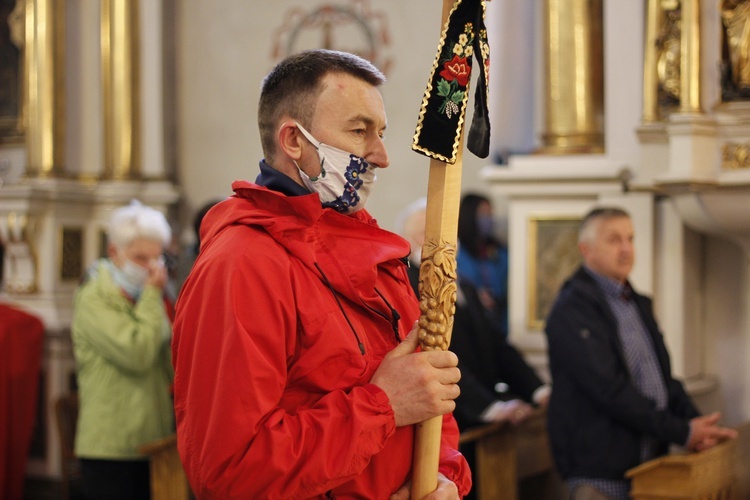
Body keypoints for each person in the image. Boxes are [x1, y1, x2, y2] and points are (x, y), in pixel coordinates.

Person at [172, 49, 470, 498]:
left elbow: (429, 400)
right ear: (293, 140)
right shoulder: (241, 265)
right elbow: (230, 474)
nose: (382, 155)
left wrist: (445, 478)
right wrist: (383, 405)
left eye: (381, 133)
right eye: (359, 131)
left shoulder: (380, 258)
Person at [544, 206, 738, 500]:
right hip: (599, 469)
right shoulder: (573, 309)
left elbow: (665, 381)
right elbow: (608, 389)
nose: (626, 249)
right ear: (587, 250)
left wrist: (699, 428)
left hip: (646, 464)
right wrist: (682, 431)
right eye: (614, 240)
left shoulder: (636, 302)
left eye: (630, 239)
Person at [398, 197, 550, 499]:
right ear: (419, 238)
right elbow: (434, 357)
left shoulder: (462, 284)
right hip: (452, 421)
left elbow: (497, 345)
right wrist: (490, 407)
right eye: (443, 231)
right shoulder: (409, 286)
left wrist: (538, 390)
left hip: (479, 415)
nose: (453, 239)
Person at [71, 200, 174, 500]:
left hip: (155, 440)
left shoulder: (149, 295)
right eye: (141, 258)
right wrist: (154, 295)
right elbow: (138, 353)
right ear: (114, 252)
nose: (152, 269)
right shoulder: (94, 296)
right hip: (111, 446)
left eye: (158, 258)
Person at [456, 193, 509, 337]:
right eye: (484, 214)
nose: (489, 219)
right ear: (470, 216)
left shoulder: (498, 250)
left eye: (490, 214)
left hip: (500, 320)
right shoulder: (457, 251)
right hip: (472, 322)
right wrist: (476, 294)